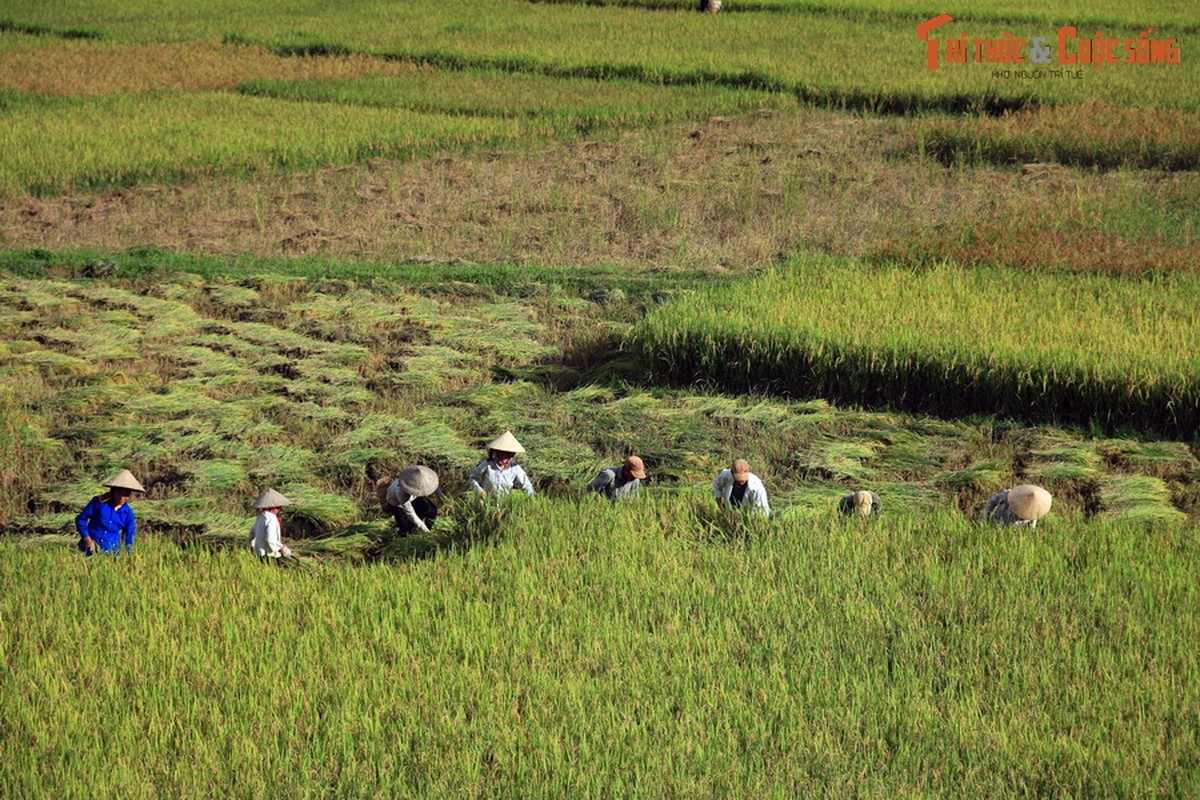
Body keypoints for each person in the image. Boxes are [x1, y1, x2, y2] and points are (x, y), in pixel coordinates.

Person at [76, 469, 144, 555]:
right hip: (89, 548)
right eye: (119, 493)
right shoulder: (98, 503)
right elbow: (81, 519)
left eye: (126, 495)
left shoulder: (128, 514)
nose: (122, 498)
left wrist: (128, 553)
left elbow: (129, 535)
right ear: (113, 492)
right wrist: (86, 538)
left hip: (111, 552)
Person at [469, 431, 535, 498]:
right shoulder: (487, 465)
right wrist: (480, 491)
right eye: (502, 454)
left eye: (507, 455)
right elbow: (472, 478)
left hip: (504, 504)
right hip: (486, 502)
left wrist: (531, 500)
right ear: (497, 453)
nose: (504, 458)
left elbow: (527, 486)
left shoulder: (515, 468)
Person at [380, 465, 440, 534]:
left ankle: (426, 525)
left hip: (415, 497)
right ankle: (419, 529)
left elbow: (435, 486)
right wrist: (426, 531)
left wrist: (443, 499)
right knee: (406, 531)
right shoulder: (400, 492)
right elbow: (410, 514)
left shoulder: (423, 476)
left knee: (431, 510)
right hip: (398, 504)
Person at [249, 488, 294, 559]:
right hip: (269, 556)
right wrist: (282, 548)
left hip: (259, 554)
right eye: (278, 508)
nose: (279, 510)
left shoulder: (260, 516)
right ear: (274, 508)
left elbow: (252, 533)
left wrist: (252, 546)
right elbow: (271, 540)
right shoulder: (271, 519)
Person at [984, 484, 1052, 527]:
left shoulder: (1033, 513)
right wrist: (986, 519)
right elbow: (991, 503)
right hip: (997, 523)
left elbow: (1032, 529)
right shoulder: (1006, 495)